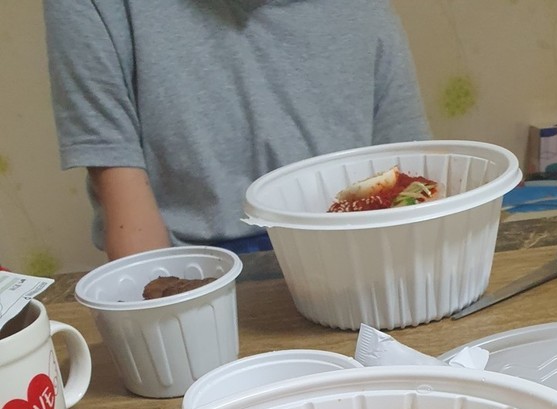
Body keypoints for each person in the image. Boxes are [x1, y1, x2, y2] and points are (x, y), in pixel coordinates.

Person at [42, 0, 430, 260]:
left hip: (352, 259)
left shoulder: (364, 12)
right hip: (191, 272)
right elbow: (136, 243)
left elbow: (412, 195)